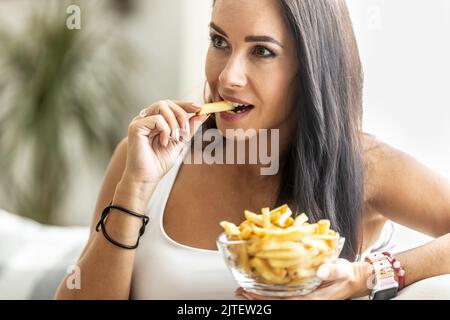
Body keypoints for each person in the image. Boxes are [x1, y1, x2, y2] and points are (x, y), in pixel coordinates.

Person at [55, 0, 450, 300]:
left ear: (311, 66)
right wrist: (136, 187)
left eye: (261, 51)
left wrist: (369, 275)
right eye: (219, 42)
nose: (227, 76)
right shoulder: (143, 159)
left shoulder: (365, 165)